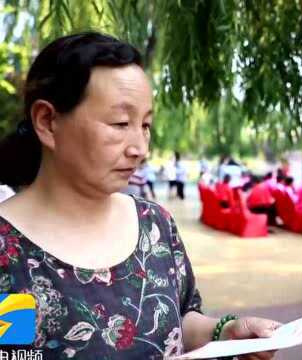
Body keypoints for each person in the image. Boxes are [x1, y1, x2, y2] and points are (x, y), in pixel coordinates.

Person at [0, 32, 278, 359]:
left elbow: (180, 320)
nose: (140, 149)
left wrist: (225, 331)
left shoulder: (155, 225)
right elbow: (15, 350)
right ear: (47, 121)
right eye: (120, 123)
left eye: (145, 125)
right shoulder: (8, 253)